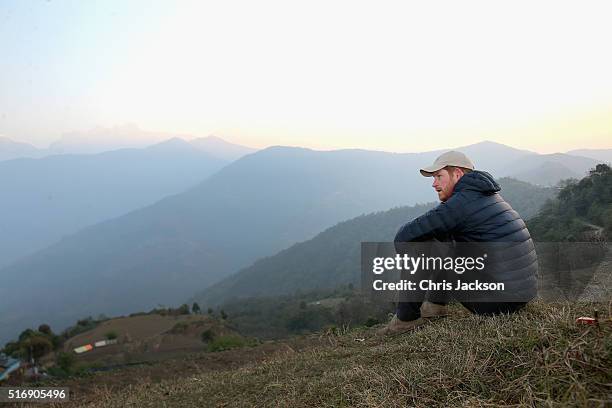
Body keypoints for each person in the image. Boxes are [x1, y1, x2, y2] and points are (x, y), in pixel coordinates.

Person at [378, 150, 537, 336]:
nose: (434, 184)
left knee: (423, 243)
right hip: (518, 296)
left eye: (439, 176)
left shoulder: (461, 204)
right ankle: (434, 307)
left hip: (494, 302)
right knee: (442, 241)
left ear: (458, 174)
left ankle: (406, 319)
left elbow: (403, 237)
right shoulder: (486, 196)